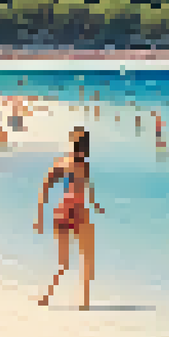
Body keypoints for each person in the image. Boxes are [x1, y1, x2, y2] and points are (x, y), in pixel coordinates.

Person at [34, 128, 104, 310]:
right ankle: (81, 302)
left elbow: (48, 185)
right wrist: (96, 205)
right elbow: (84, 187)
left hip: (66, 212)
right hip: (75, 212)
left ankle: (50, 296)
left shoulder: (68, 163)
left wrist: (40, 215)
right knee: (82, 258)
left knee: (68, 261)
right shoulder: (77, 165)